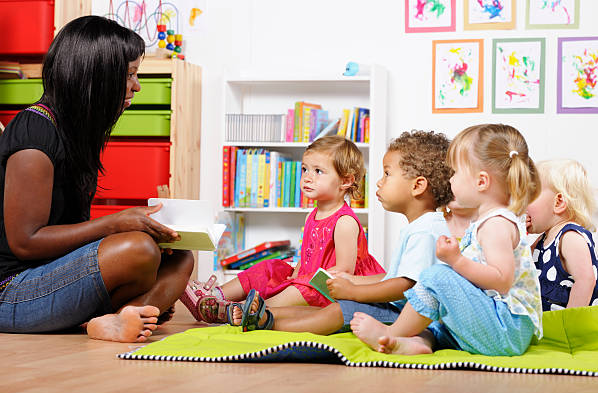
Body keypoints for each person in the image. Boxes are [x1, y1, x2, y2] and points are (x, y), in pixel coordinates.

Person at [0, 16, 194, 343]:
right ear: (98, 77)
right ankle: (132, 313)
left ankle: (126, 318)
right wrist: (114, 224)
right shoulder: (36, 134)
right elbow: (25, 241)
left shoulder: (74, 132)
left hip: (52, 276)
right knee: (138, 248)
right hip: (11, 292)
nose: (137, 86)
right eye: (130, 75)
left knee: (181, 257)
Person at [229, 130, 455, 333]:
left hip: (412, 318)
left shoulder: (425, 231)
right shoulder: (420, 227)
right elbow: (393, 277)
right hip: (403, 310)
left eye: (387, 174)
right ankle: (264, 315)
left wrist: (353, 291)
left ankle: (270, 322)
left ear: (418, 186)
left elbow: (404, 285)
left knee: (338, 312)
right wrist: (353, 280)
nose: (378, 182)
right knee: (332, 308)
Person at [350, 123, 543, 357]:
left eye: (455, 172)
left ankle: (393, 333)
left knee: (436, 276)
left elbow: (501, 281)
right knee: (437, 313)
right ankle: (420, 343)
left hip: (506, 330)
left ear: (481, 182)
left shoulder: (496, 224)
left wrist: (457, 261)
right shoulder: (486, 221)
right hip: (494, 322)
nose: (450, 180)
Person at [182, 136, 386, 323]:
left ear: (346, 181)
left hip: (329, 288)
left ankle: (241, 310)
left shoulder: (344, 222)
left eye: (318, 171)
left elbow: (343, 273)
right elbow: (306, 256)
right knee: (270, 267)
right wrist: (294, 274)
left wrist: (300, 282)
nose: (307, 177)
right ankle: (216, 296)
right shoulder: (311, 215)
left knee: (300, 291)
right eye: (305, 169)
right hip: (306, 278)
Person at [526, 159, 598, 311]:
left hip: (573, 330)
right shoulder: (542, 240)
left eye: (530, 196)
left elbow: (585, 281)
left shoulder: (569, 236)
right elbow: (519, 262)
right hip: (552, 327)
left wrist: (569, 322)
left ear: (558, 203)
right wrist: (519, 234)